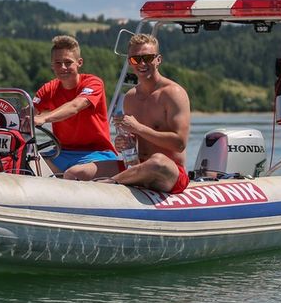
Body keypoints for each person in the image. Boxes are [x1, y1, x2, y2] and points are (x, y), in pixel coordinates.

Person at [68, 33, 191, 193]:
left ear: (158, 60)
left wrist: (138, 128)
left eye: (147, 58)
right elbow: (132, 140)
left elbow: (179, 144)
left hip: (169, 172)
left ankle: (109, 184)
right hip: (136, 166)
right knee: (75, 172)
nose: (141, 63)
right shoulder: (130, 98)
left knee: (157, 161)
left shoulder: (173, 93)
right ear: (129, 62)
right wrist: (123, 143)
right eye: (135, 59)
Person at [33, 35, 118, 177]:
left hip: (97, 154)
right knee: (25, 164)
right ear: (52, 65)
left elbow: (75, 106)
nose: (63, 67)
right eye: (58, 63)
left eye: (68, 62)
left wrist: (44, 118)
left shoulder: (93, 83)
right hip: (61, 153)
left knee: (74, 173)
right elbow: (30, 112)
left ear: (79, 62)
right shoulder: (48, 88)